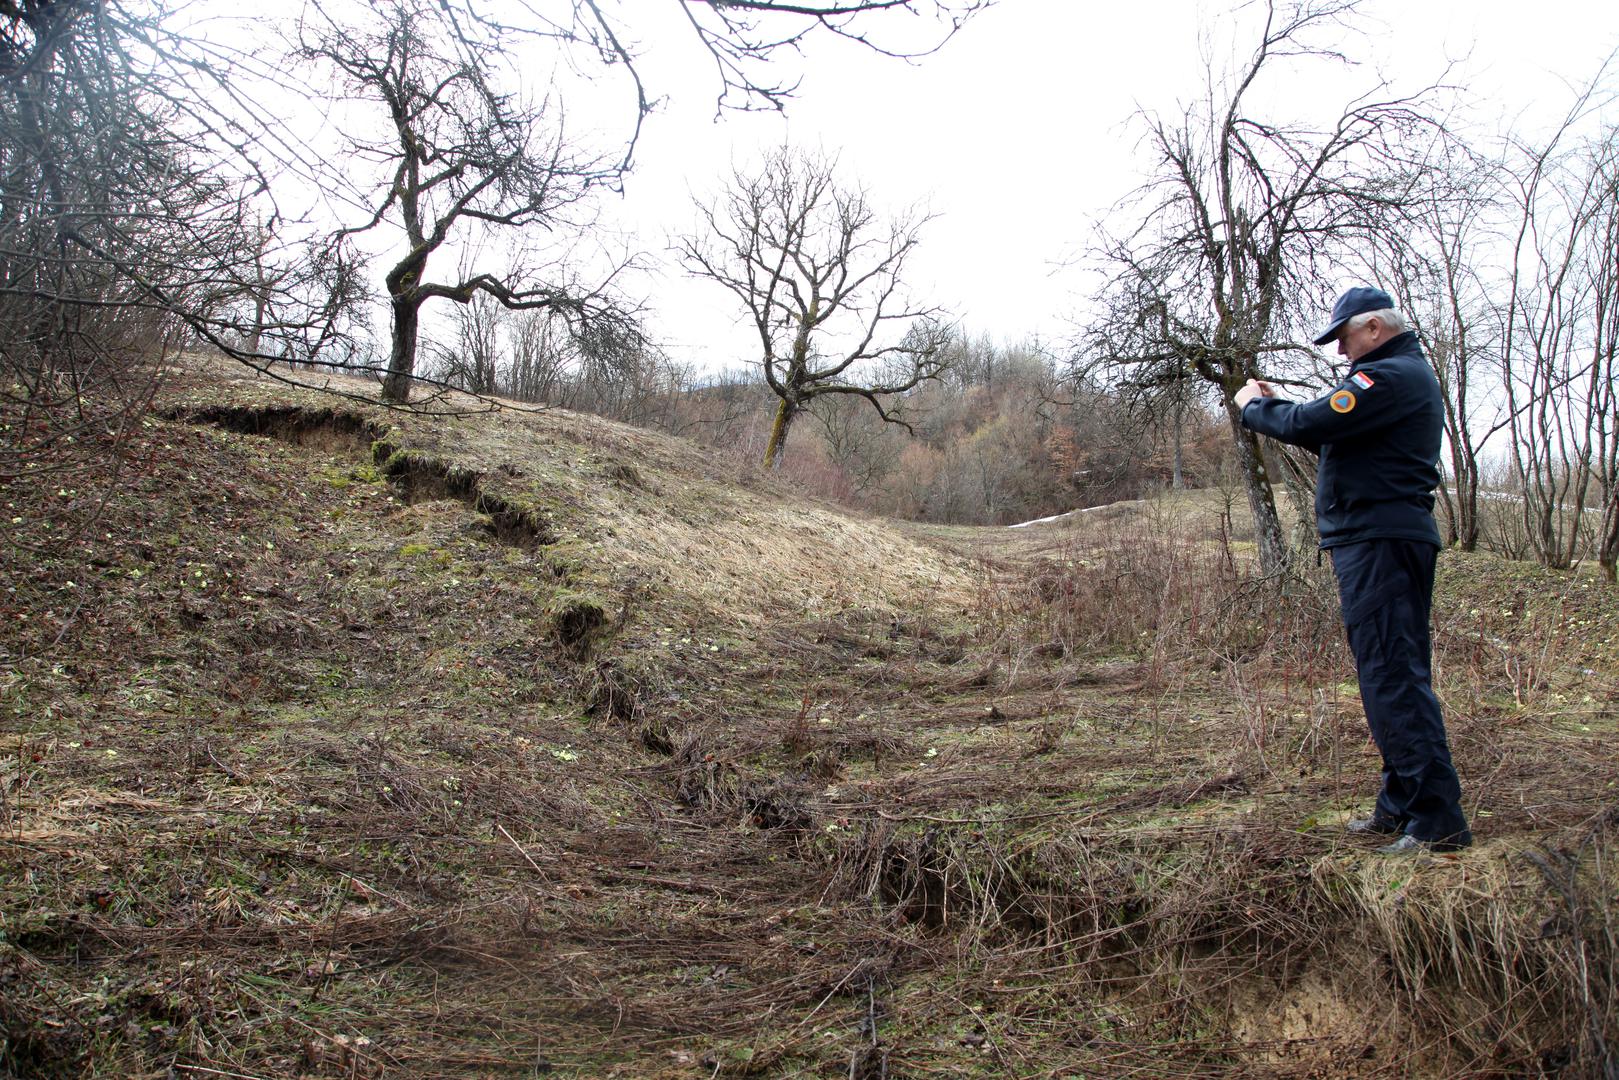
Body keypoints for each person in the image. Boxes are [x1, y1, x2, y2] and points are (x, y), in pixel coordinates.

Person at [1233, 286, 1471, 854]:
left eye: (1343, 338)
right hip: (1380, 538)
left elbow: (1313, 423)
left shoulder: (1387, 378)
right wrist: (1284, 406)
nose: (1341, 353)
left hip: (1381, 542)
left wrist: (1253, 406)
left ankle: (1438, 820)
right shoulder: (1396, 379)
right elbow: (1335, 428)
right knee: (1387, 675)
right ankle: (1399, 805)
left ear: (1372, 328)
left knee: (1393, 677)